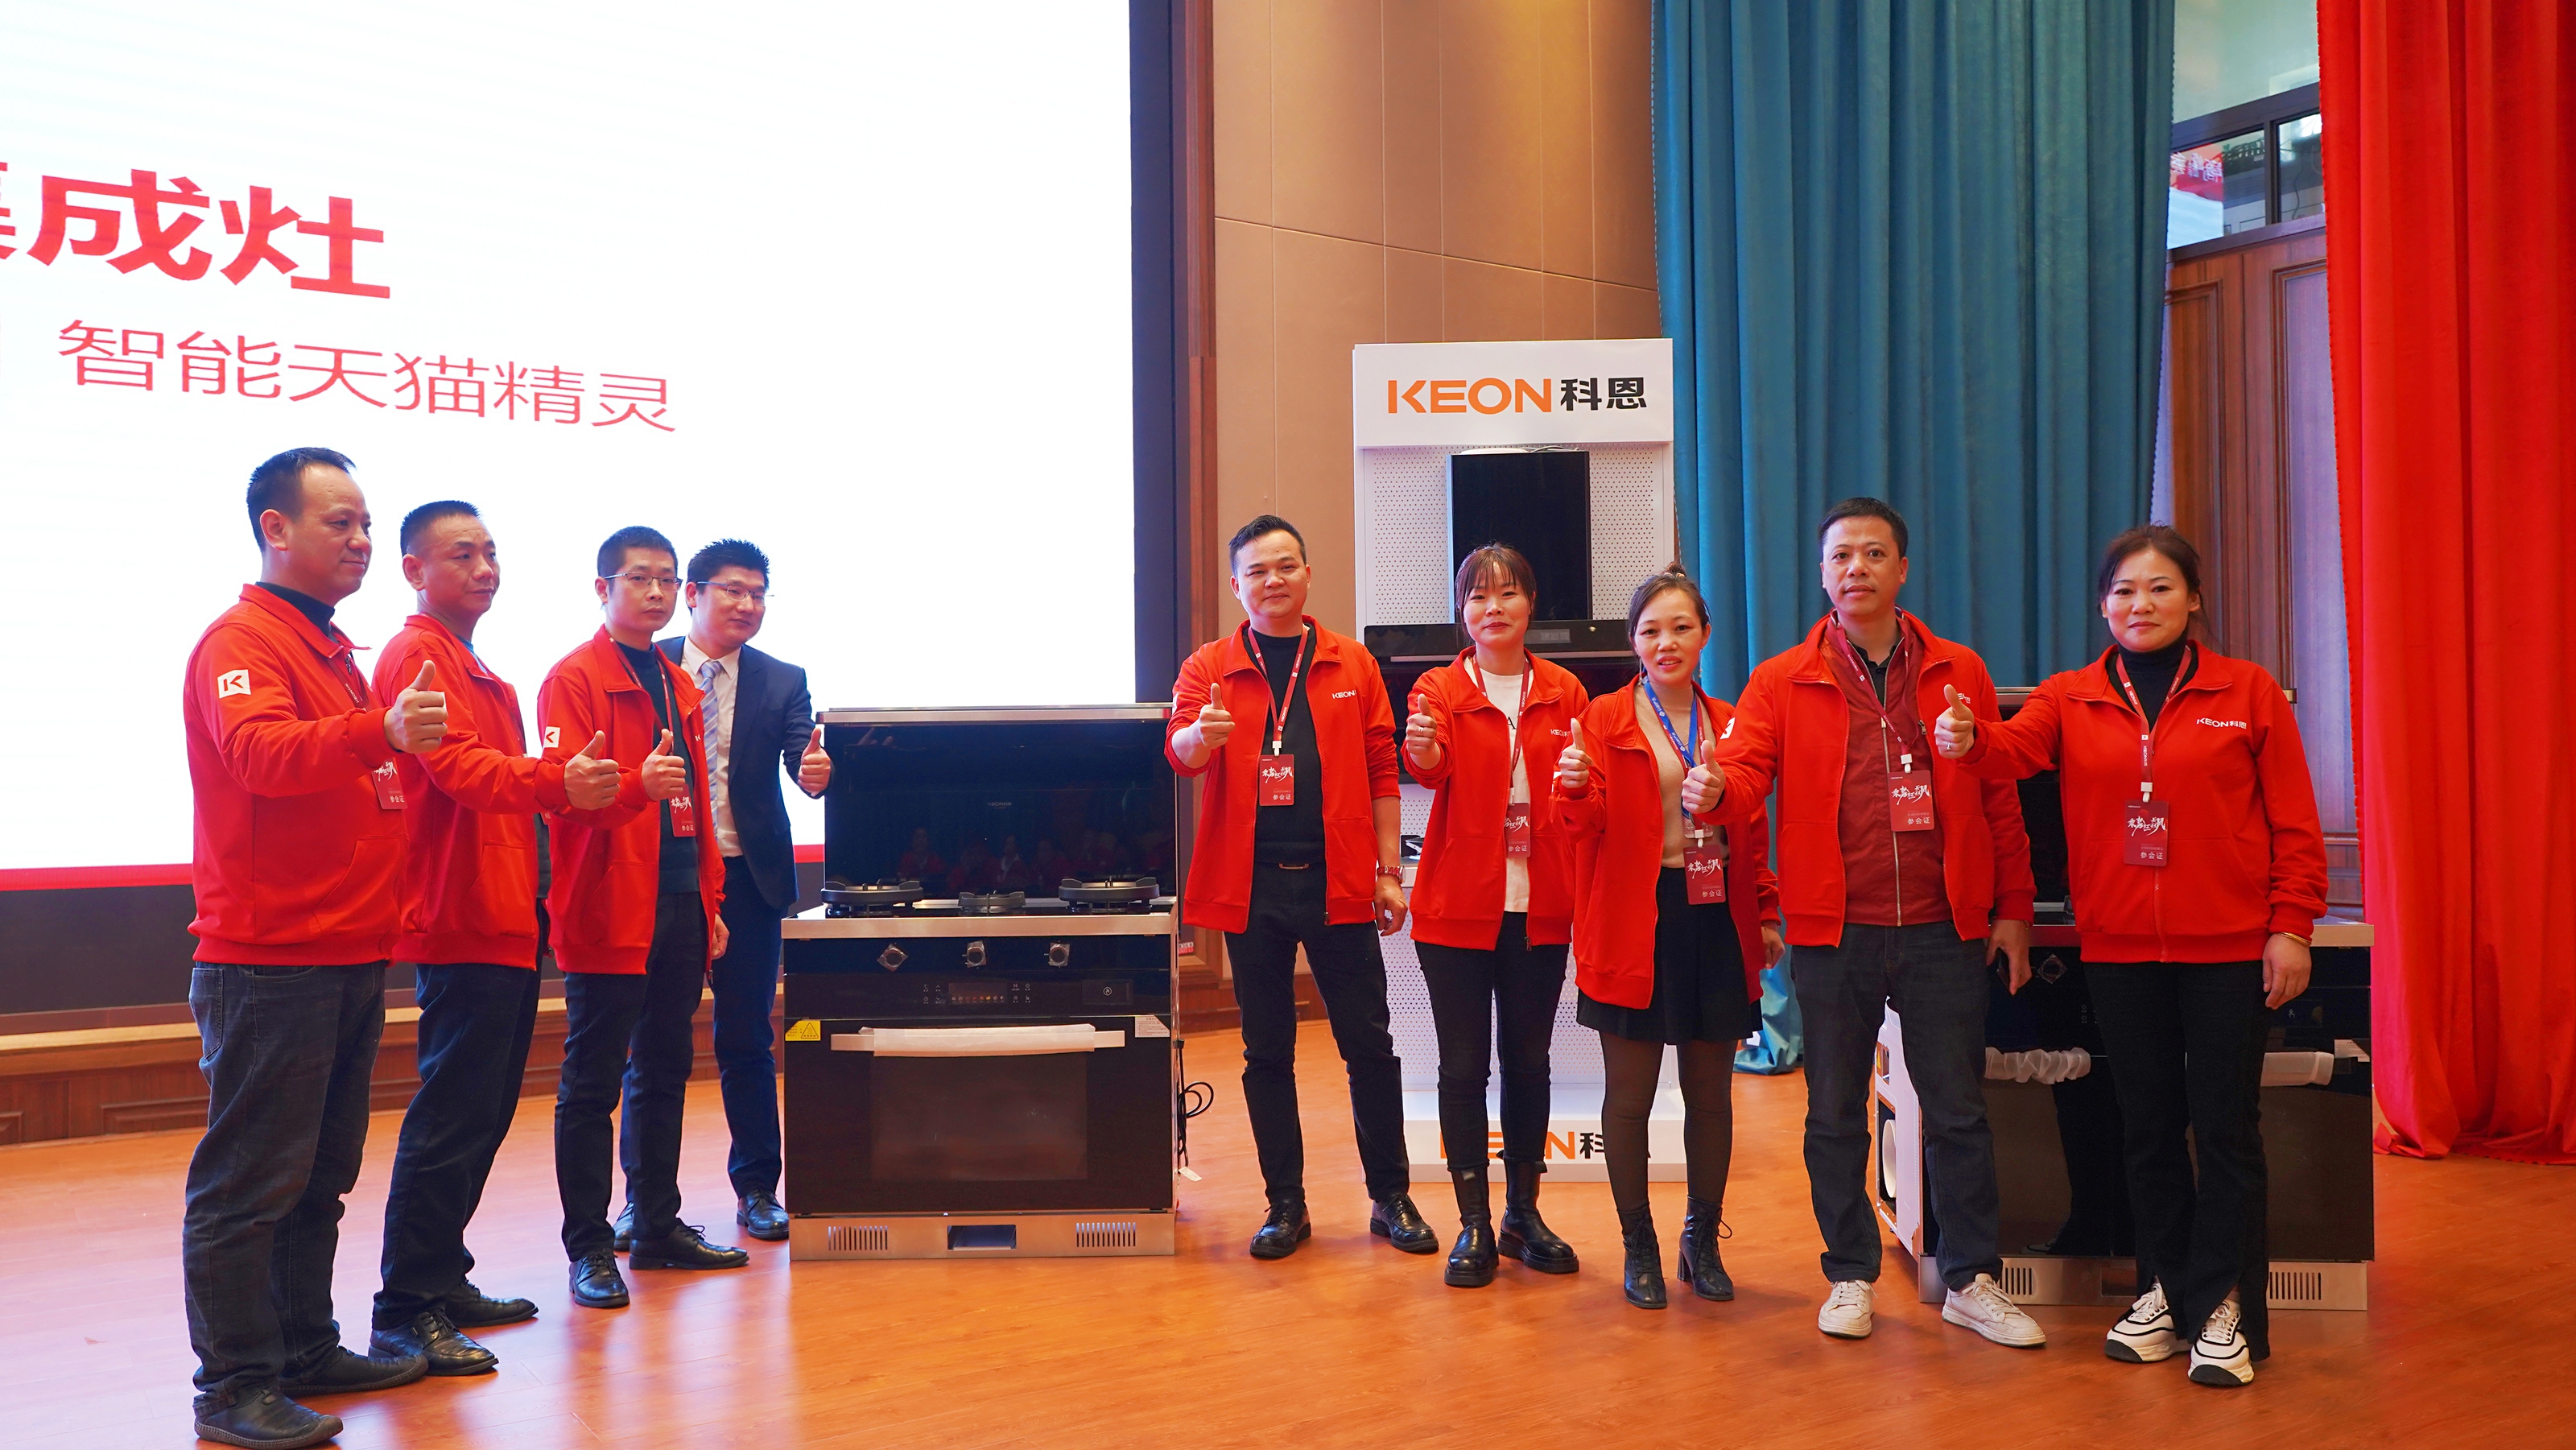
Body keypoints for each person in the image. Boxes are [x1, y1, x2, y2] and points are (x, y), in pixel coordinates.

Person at [1936, 524, 2327, 1387]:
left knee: (2223, 1131)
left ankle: (2224, 1305)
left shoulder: (2247, 692)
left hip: (2229, 949)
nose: (2139, 604)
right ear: (2101, 606)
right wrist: (1967, 736)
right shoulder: (2069, 696)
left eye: (2158, 588)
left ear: (2193, 599)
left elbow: (2294, 821)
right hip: (2117, 949)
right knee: (2144, 1130)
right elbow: (2010, 753)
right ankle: (2163, 1290)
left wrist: (2292, 924)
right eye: (2122, 590)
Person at [1703, 497, 2045, 1348]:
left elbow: (2000, 795)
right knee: (1832, 1113)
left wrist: (2012, 909)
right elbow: (1745, 775)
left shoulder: (1958, 669)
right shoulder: (1781, 679)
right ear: (1822, 575)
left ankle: (1968, 1277)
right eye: (1840, 556)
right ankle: (1849, 1272)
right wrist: (1715, 790)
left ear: (1901, 569)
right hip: (1834, 932)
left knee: (1958, 1110)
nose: (1855, 567)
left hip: (1942, 927)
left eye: (1873, 553)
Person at [180, 448, 445, 1449]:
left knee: (319, 1174)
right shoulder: (242, 640)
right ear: (275, 529)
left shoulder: (332, 648)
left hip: (345, 951)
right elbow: (259, 755)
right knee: (249, 1185)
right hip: (269, 958)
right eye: (340, 522)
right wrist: (382, 731)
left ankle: (303, 1347)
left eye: (366, 522)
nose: (362, 540)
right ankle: (233, 1385)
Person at [368, 502, 623, 1377]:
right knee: (451, 1115)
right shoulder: (418, 653)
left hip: (506, 916)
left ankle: (442, 1278)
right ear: (414, 570)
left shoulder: (477, 666)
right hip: (460, 915)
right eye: (461, 554)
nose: (484, 568)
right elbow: (460, 771)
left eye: (490, 552)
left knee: (481, 1111)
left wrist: (564, 790)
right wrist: (559, 781)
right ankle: (406, 1309)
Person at [1167, 514, 1429, 1260]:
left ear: (1308, 574)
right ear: (1236, 585)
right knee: (1267, 1051)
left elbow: (1383, 769)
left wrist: (1389, 870)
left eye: (1286, 565)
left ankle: (1391, 1196)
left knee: (1369, 1045)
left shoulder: (1352, 662)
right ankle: (1285, 1204)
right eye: (1257, 570)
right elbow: (1180, 753)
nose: (1273, 580)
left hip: (1340, 882)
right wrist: (1201, 736)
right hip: (1251, 890)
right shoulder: (1210, 666)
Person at [1553, 568, 1784, 1309]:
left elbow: (1751, 828)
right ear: (1633, 642)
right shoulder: (1601, 718)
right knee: (1630, 1096)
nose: (1667, 642)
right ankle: (1639, 1245)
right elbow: (1581, 827)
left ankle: (1701, 1240)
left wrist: (1768, 912)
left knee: (1711, 1097)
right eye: (1651, 630)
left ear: (1705, 634)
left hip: (1715, 919)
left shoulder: (1732, 723)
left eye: (1681, 627)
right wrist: (1571, 788)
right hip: (1632, 917)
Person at [538, 526, 741, 1312]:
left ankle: (656, 1225)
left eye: (665, 579)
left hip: (680, 900)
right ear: (603, 588)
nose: (654, 592)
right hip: (606, 902)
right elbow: (563, 796)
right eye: (637, 578)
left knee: (664, 1068)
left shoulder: (677, 680)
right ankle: (590, 1247)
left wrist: (710, 901)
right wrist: (633, 784)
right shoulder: (573, 678)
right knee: (591, 1083)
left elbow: (698, 800)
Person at [1401, 545, 1591, 1287]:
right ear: (1463, 611)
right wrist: (1423, 750)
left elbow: (1582, 791)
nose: (1493, 608)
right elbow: (1430, 766)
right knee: (1461, 1066)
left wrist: (1582, 781)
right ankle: (1473, 1220)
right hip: (1457, 906)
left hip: (1539, 906)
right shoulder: (1440, 687)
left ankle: (1522, 1213)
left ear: (1531, 603)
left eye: (1508, 593)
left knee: (1529, 1062)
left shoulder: (1566, 690)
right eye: (1478, 597)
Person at [646, 538, 828, 1245]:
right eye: (732, 590)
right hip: (668, 876)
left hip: (748, 879)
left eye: (757, 593)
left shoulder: (782, 678)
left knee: (747, 1036)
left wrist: (816, 772)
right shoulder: (647, 663)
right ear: (692, 593)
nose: (747, 605)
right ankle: (646, 1202)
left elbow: (803, 761)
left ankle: (757, 1188)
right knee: (654, 1042)